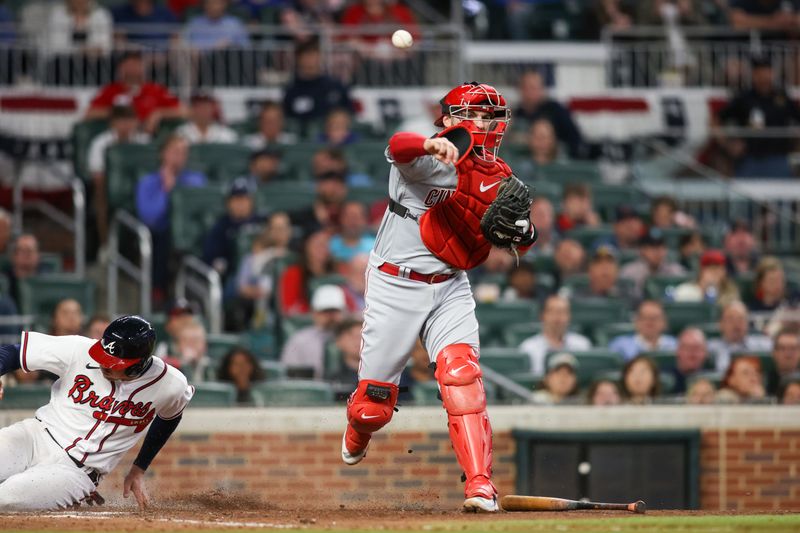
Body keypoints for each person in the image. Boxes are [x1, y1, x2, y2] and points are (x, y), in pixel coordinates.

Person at [340, 82, 536, 513]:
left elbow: (517, 237)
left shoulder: (500, 176)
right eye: (474, 115)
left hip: (450, 283)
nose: (483, 124)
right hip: (396, 283)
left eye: (490, 117)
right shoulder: (424, 156)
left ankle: (481, 485)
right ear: (449, 119)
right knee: (373, 407)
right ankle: (357, 427)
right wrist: (430, 143)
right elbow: (397, 146)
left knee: (461, 375)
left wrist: (523, 233)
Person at [0, 315, 194, 510]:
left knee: (5, 499)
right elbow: (12, 353)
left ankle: (77, 496)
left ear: (138, 364)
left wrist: (139, 468)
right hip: (34, 438)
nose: (103, 364)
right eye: (102, 356)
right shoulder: (78, 349)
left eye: (112, 362)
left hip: (75, 472)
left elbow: (170, 416)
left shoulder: (171, 383)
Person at [136, 135, 207, 296]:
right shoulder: (147, 182)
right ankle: (157, 290)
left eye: (183, 152)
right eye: (175, 151)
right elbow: (149, 217)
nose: (179, 156)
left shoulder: (196, 180)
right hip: (162, 234)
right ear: (163, 153)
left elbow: (200, 210)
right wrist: (167, 191)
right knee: (163, 235)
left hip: (194, 232)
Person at [714, 56, 800, 178]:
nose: (765, 77)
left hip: (779, 160)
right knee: (745, 196)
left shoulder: (783, 98)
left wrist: (796, 144)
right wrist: (728, 144)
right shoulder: (744, 98)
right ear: (754, 75)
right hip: (750, 161)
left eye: (768, 72)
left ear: (772, 74)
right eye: (760, 73)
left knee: (782, 195)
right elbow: (716, 120)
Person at [87, 105, 150, 246]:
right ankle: (105, 245)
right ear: (112, 123)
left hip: (140, 187)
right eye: (121, 121)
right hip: (109, 189)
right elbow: (97, 175)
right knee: (100, 196)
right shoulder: (100, 143)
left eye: (130, 120)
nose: (126, 125)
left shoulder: (145, 142)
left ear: (136, 122)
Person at [85, 51, 183, 133]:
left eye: (136, 65)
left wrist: (158, 114)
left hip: (150, 137)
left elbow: (183, 111)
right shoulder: (111, 90)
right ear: (120, 69)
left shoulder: (155, 89)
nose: (132, 70)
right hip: (118, 137)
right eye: (128, 65)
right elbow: (90, 113)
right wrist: (120, 115)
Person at [233, 212, 292, 329]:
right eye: (275, 228)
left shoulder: (297, 257)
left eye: (283, 228)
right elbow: (242, 288)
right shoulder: (252, 258)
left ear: (289, 231)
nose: (279, 232)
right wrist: (262, 292)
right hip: (261, 306)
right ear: (268, 231)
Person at [202, 177, 264, 281]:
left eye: (244, 199)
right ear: (228, 203)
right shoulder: (221, 227)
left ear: (251, 201)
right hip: (232, 277)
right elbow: (211, 258)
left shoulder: (261, 222)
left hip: (260, 273)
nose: (240, 204)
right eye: (236, 199)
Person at [280, 284, 347, 379]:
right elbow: (290, 374)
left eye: (334, 311)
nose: (330, 316)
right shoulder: (300, 340)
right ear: (314, 313)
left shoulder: (353, 338)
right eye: (325, 311)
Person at [513, 70, 584, 158]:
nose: (530, 92)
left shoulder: (557, 110)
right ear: (520, 89)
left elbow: (575, 140)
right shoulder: (517, 114)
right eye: (526, 87)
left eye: (534, 88)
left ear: (542, 89)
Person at [282, 39, 353, 124]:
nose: (310, 60)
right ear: (298, 59)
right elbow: (287, 120)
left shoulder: (336, 87)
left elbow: (349, 116)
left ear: (320, 57)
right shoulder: (292, 91)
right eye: (307, 55)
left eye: (314, 55)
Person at [519, 295, 591, 375]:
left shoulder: (582, 345)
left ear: (569, 316)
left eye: (562, 312)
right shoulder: (529, 347)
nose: (557, 317)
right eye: (552, 311)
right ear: (542, 315)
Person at [278, 230, 337, 316]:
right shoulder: (293, 273)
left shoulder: (336, 274)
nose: (322, 248)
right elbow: (289, 307)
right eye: (317, 244)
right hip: (304, 323)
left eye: (325, 244)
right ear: (306, 246)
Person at [620, 228, 686, 299]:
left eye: (660, 246)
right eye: (652, 247)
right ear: (642, 250)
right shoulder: (629, 271)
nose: (657, 251)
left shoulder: (675, 270)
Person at [708, 300, 773, 372]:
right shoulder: (709, 349)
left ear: (748, 323)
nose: (736, 324)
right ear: (721, 324)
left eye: (741, 319)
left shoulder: (764, 346)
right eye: (730, 319)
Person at [610, 300, 677, 361]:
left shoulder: (675, 345)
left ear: (664, 322)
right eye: (645, 318)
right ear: (636, 321)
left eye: (655, 318)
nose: (650, 322)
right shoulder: (620, 346)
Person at [673, 249, 741, 307]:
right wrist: (704, 288)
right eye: (710, 268)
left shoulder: (731, 291)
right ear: (701, 271)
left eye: (718, 268)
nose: (714, 273)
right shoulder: (686, 290)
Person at [46, 0, 112, 55]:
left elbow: (104, 45)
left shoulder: (101, 14)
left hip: (94, 62)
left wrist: (89, 51)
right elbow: (56, 46)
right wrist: (80, 51)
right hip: (62, 62)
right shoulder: (58, 15)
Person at [184, 0, 250, 51]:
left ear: (224, 4)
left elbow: (245, 46)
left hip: (226, 61)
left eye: (217, 3)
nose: (214, 7)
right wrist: (213, 47)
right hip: (199, 60)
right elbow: (184, 42)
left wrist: (230, 45)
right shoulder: (195, 23)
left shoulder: (234, 24)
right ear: (205, 4)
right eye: (210, 3)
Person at [112, 0, 178, 49]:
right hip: (132, 60)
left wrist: (163, 57)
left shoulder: (166, 13)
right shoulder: (119, 14)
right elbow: (119, 43)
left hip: (163, 61)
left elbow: (175, 39)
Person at [3, 234, 43, 308]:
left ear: (38, 256)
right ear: (13, 256)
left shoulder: (45, 281)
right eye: (22, 251)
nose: (27, 255)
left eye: (30, 251)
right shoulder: (4, 280)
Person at [666, 327, 709, 394]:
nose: (692, 353)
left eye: (697, 348)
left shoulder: (712, 380)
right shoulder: (665, 378)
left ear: (705, 352)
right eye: (687, 348)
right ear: (678, 351)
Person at [325, 318, 363, 389]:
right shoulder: (331, 381)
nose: (358, 341)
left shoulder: (379, 376)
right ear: (338, 341)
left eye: (362, 336)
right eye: (352, 336)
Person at [767, 329, 800, 396]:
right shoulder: (764, 381)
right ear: (774, 353)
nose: (788, 354)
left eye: (793, 348)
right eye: (782, 348)